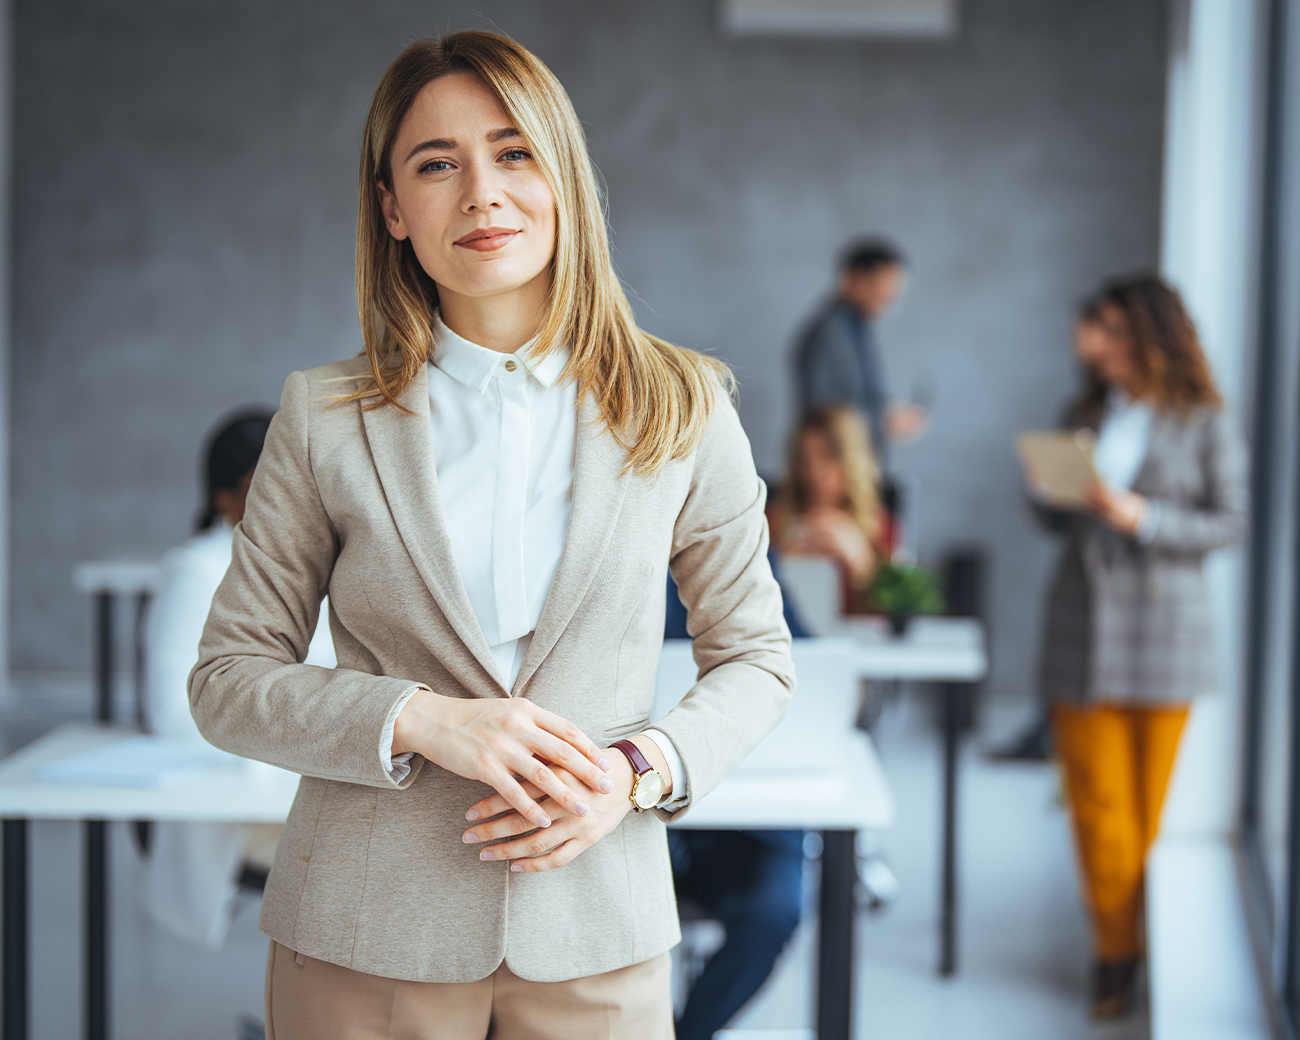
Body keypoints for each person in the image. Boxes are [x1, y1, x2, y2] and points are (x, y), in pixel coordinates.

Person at [189, 31, 793, 1040]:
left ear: (564, 174)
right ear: (392, 206)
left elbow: (756, 657)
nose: (481, 191)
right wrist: (418, 717)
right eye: (437, 163)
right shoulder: (322, 416)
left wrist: (637, 769)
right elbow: (227, 679)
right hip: (362, 937)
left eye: (514, 152)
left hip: (598, 930)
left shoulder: (684, 405)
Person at [1032, 274, 1247, 1019]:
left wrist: (1145, 518)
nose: (1099, 347)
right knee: (1098, 807)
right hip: (1082, 626)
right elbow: (1059, 522)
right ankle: (1117, 954)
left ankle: (1132, 947)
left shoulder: (1204, 421)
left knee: (1147, 811)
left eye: (1115, 331)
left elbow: (1230, 522)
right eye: (1098, 331)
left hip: (1164, 631)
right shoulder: (1088, 410)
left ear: (1152, 336)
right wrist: (1049, 487)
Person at [140, 410, 336, 949]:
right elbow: (175, 714)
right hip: (254, 798)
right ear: (225, 498)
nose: (290, 496)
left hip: (313, 779)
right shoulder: (197, 570)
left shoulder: (321, 559)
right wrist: (316, 727)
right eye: (265, 485)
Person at [794, 238, 927, 464]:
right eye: (883, 288)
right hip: (836, 468)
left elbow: (860, 397)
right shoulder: (827, 334)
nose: (889, 299)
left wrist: (888, 415)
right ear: (854, 277)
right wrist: (885, 421)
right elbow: (824, 413)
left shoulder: (857, 329)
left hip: (858, 466)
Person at [770, 405, 887, 613]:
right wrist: (784, 563)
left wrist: (859, 560)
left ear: (851, 459)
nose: (814, 471)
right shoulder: (772, 521)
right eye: (805, 459)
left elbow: (895, 610)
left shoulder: (881, 526)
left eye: (827, 456)